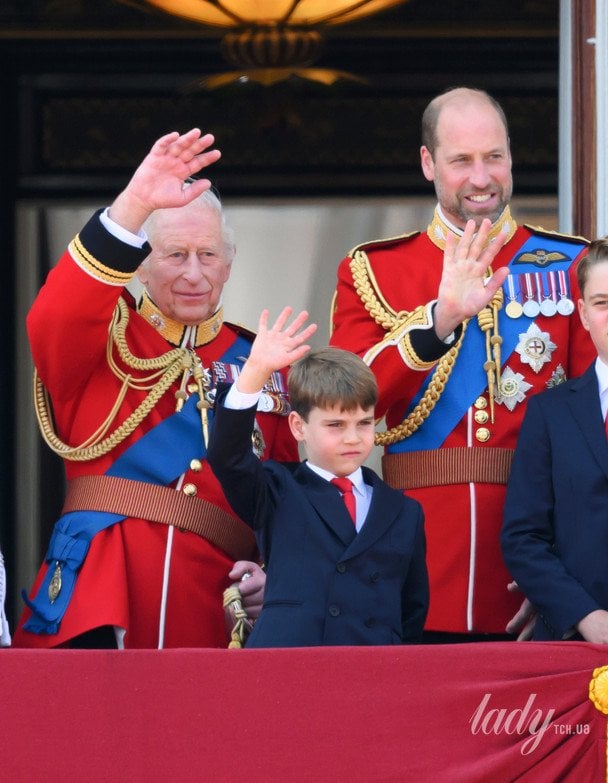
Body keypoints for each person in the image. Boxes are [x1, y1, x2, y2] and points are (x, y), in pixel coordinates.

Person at [13, 128, 298, 649]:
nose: (194, 274)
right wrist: (135, 204)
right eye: (175, 255)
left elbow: (284, 506)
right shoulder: (100, 337)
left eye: (208, 255)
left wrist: (271, 575)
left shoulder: (265, 367)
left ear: (230, 265)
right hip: (101, 601)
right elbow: (54, 314)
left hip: (212, 613)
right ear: (139, 266)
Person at [330, 86, 594, 641]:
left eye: (494, 156)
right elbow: (347, 403)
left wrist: (564, 577)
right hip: (416, 559)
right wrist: (439, 321)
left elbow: (598, 424)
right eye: (461, 160)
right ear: (428, 163)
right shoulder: (376, 270)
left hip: (538, 558)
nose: (481, 177)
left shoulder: (572, 266)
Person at [207, 307, 429, 647]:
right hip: (287, 665)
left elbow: (411, 610)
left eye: (364, 423)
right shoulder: (277, 488)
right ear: (298, 426)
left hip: (371, 672)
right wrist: (255, 371)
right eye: (336, 425)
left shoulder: (403, 510)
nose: (353, 438)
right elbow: (229, 456)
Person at [501, 238, 608, 643]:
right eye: (602, 303)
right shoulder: (550, 413)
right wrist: (583, 614)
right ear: (582, 313)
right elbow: (523, 537)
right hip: (572, 641)